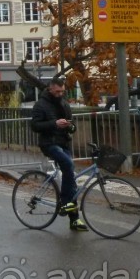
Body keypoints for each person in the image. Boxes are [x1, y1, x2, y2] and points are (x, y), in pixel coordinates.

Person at [31, 76, 87, 232]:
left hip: (63, 142)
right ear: (51, 88)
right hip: (49, 143)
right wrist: (54, 123)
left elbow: (72, 123)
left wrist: (70, 127)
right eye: (57, 91)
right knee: (68, 164)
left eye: (62, 91)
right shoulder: (40, 105)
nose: (60, 94)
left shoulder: (64, 103)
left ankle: (74, 220)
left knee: (71, 180)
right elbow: (34, 125)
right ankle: (64, 202)